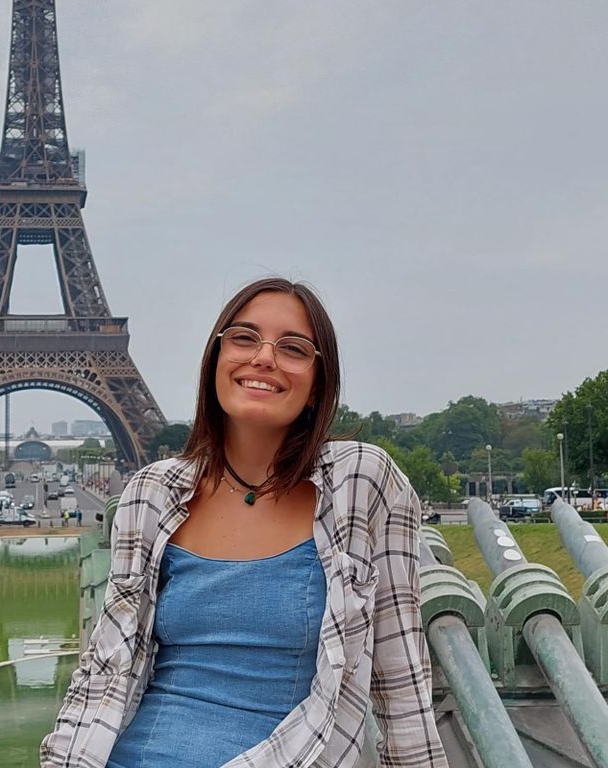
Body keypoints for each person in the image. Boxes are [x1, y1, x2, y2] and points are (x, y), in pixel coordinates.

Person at [40, 277, 447, 768]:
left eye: (293, 348)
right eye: (244, 338)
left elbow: (400, 683)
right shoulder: (151, 493)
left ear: (318, 386)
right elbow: (105, 666)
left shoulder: (361, 481)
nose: (264, 357)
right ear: (216, 359)